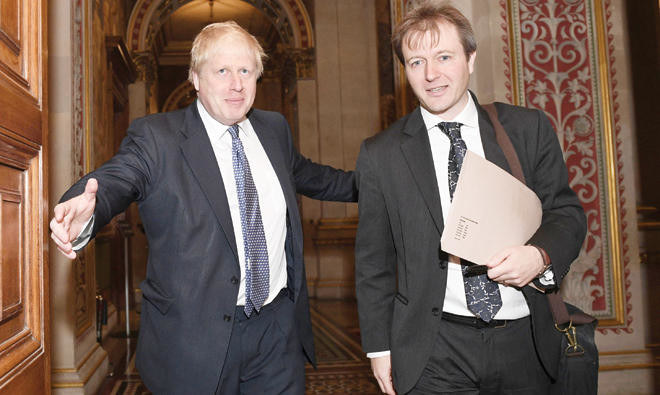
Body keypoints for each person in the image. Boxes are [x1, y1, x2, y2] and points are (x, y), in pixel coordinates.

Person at [50, 21, 356, 394]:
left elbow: (314, 177)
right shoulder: (157, 137)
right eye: (222, 70)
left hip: (276, 333)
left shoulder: (274, 129)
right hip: (195, 342)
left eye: (246, 71)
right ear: (195, 77)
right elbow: (118, 178)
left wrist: (380, 186)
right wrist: (88, 206)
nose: (236, 84)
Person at [354, 2, 587, 394]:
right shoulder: (381, 154)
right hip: (434, 349)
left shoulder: (526, 130)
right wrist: (379, 348)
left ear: (471, 58)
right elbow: (373, 262)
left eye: (444, 56)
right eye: (416, 62)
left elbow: (566, 214)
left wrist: (539, 256)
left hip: (525, 341)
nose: (431, 75)